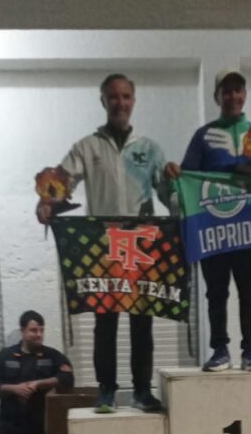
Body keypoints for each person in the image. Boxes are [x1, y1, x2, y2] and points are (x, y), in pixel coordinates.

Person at [37, 73, 172, 413]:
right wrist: (47, 201)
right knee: (105, 322)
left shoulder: (150, 149)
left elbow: (168, 194)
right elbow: (61, 182)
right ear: (103, 102)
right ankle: (107, 391)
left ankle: (142, 391)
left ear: (134, 101)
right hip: (104, 245)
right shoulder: (87, 147)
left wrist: (179, 189)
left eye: (126, 97)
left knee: (142, 322)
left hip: (141, 246)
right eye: (113, 97)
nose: (120, 103)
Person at [166, 69, 251, 372]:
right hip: (212, 229)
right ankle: (220, 349)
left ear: (245, 95)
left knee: (249, 293)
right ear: (217, 97)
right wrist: (174, 177)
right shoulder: (203, 136)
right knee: (215, 292)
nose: (232, 97)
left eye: (237, 90)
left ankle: (250, 351)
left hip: (248, 227)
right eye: (226, 91)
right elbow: (187, 179)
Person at [0, 310, 73, 434]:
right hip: (8, 425)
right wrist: (14, 388)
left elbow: (67, 378)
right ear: (22, 331)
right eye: (33, 330)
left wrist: (39, 384)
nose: (39, 334)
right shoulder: (5, 356)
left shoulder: (52, 356)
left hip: (36, 426)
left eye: (41, 330)